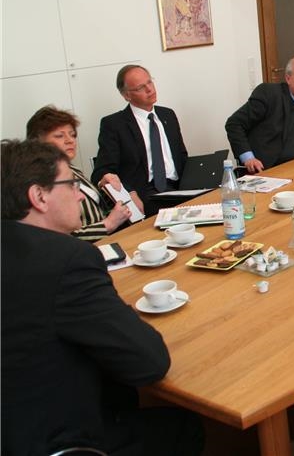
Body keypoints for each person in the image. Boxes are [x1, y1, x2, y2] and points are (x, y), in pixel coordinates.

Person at [1, 139, 204, 456]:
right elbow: (150, 363)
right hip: (59, 439)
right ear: (38, 196)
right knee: (183, 425)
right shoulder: (67, 260)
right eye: (70, 185)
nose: (80, 195)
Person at [26, 105, 143, 241]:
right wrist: (109, 224)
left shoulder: (73, 170)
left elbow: (96, 209)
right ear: (37, 142)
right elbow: (59, 236)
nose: (70, 140)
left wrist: (107, 190)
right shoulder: (41, 181)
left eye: (72, 135)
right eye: (59, 136)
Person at [92, 65, 188, 217]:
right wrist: (129, 192)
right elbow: (102, 171)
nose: (150, 89)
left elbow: (182, 156)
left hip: (181, 187)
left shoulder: (167, 115)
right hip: (145, 194)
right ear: (126, 95)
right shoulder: (114, 124)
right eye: (141, 87)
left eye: (150, 82)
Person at [226, 56, 294, 173]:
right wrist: (248, 158)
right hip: (268, 169)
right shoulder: (269, 94)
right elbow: (234, 124)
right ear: (288, 79)